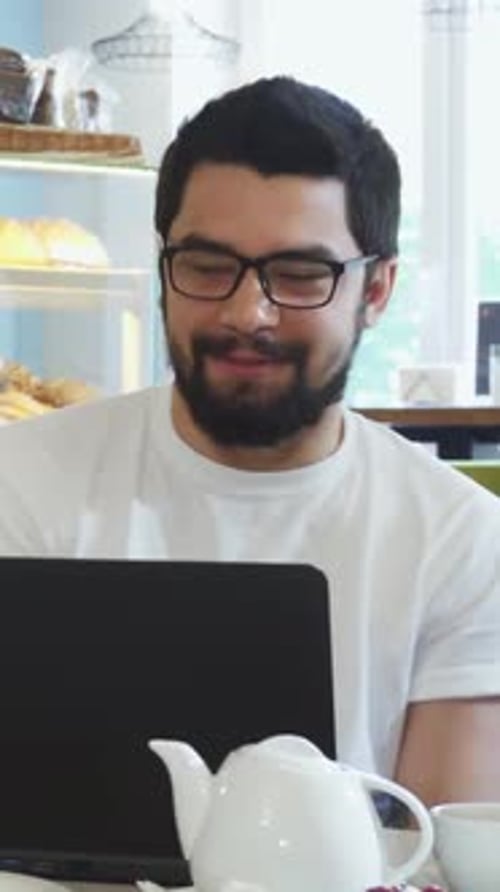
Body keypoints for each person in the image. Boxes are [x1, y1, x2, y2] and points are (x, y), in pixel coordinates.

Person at [0, 75, 499, 809]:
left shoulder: (461, 539)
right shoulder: (22, 482)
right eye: (207, 267)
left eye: (298, 276)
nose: (248, 313)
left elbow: (443, 845)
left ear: (377, 290)